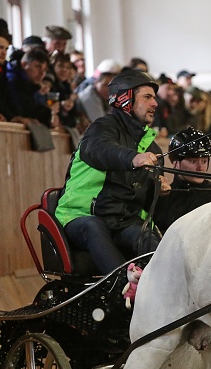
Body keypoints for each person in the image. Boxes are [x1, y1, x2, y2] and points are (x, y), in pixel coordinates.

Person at [55, 69, 165, 274]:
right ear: (125, 99)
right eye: (147, 97)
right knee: (94, 226)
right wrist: (133, 157)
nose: (155, 104)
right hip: (80, 216)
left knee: (148, 238)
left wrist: (158, 187)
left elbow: (146, 202)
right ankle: (122, 286)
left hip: (122, 222)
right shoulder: (101, 128)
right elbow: (97, 150)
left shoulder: (153, 148)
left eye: (155, 98)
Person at [154, 126, 211, 233]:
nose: (200, 167)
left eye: (203, 161)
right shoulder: (165, 197)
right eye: (193, 161)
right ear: (175, 162)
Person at [76, 58, 120, 125]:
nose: (109, 89)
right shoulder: (89, 96)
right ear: (96, 82)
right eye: (105, 85)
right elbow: (102, 125)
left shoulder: (108, 97)